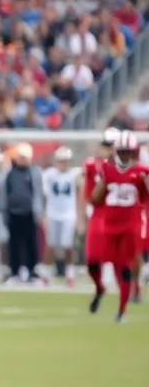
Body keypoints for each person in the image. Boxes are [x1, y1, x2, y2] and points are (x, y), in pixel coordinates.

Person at [90, 131, 149, 323]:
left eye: (127, 151)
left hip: (130, 225)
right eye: (121, 151)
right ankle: (101, 289)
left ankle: (122, 310)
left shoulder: (142, 171)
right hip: (109, 225)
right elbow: (95, 198)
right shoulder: (107, 169)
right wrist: (103, 183)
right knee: (99, 261)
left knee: (124, 266)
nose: (124, 155)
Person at [0, 143, 44, 284]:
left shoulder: (34, 173)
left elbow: (38, 194)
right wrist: (4, 211)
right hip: (13, 213)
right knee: (14, 244)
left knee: (31, 243)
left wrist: (38, 211)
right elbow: (4, 193)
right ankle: (14, 272)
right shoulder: (9, 173)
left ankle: (32, 272)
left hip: (29, 213)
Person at [83, 128, 119, 300]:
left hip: (121, 212)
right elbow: (90, 196)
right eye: (106, 144)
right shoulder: (93, 165)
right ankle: (100, 286)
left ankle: (132, 291)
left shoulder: (132, 167)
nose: (108, 148)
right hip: (100, 212)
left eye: (112, 145)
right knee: (93, 257)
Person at [41, 146, 82, 286]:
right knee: (50, 245)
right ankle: (46, 275)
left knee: (68, 245)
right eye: (61, 160)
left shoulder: (75, 174)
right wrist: (44, 215)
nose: (64, 164)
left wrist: (79, 215)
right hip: (52, 213)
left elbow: (79, 194)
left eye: (66, 161)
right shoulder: (48, 174)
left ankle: (70, 275)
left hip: (68, 214)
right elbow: (44, 196)